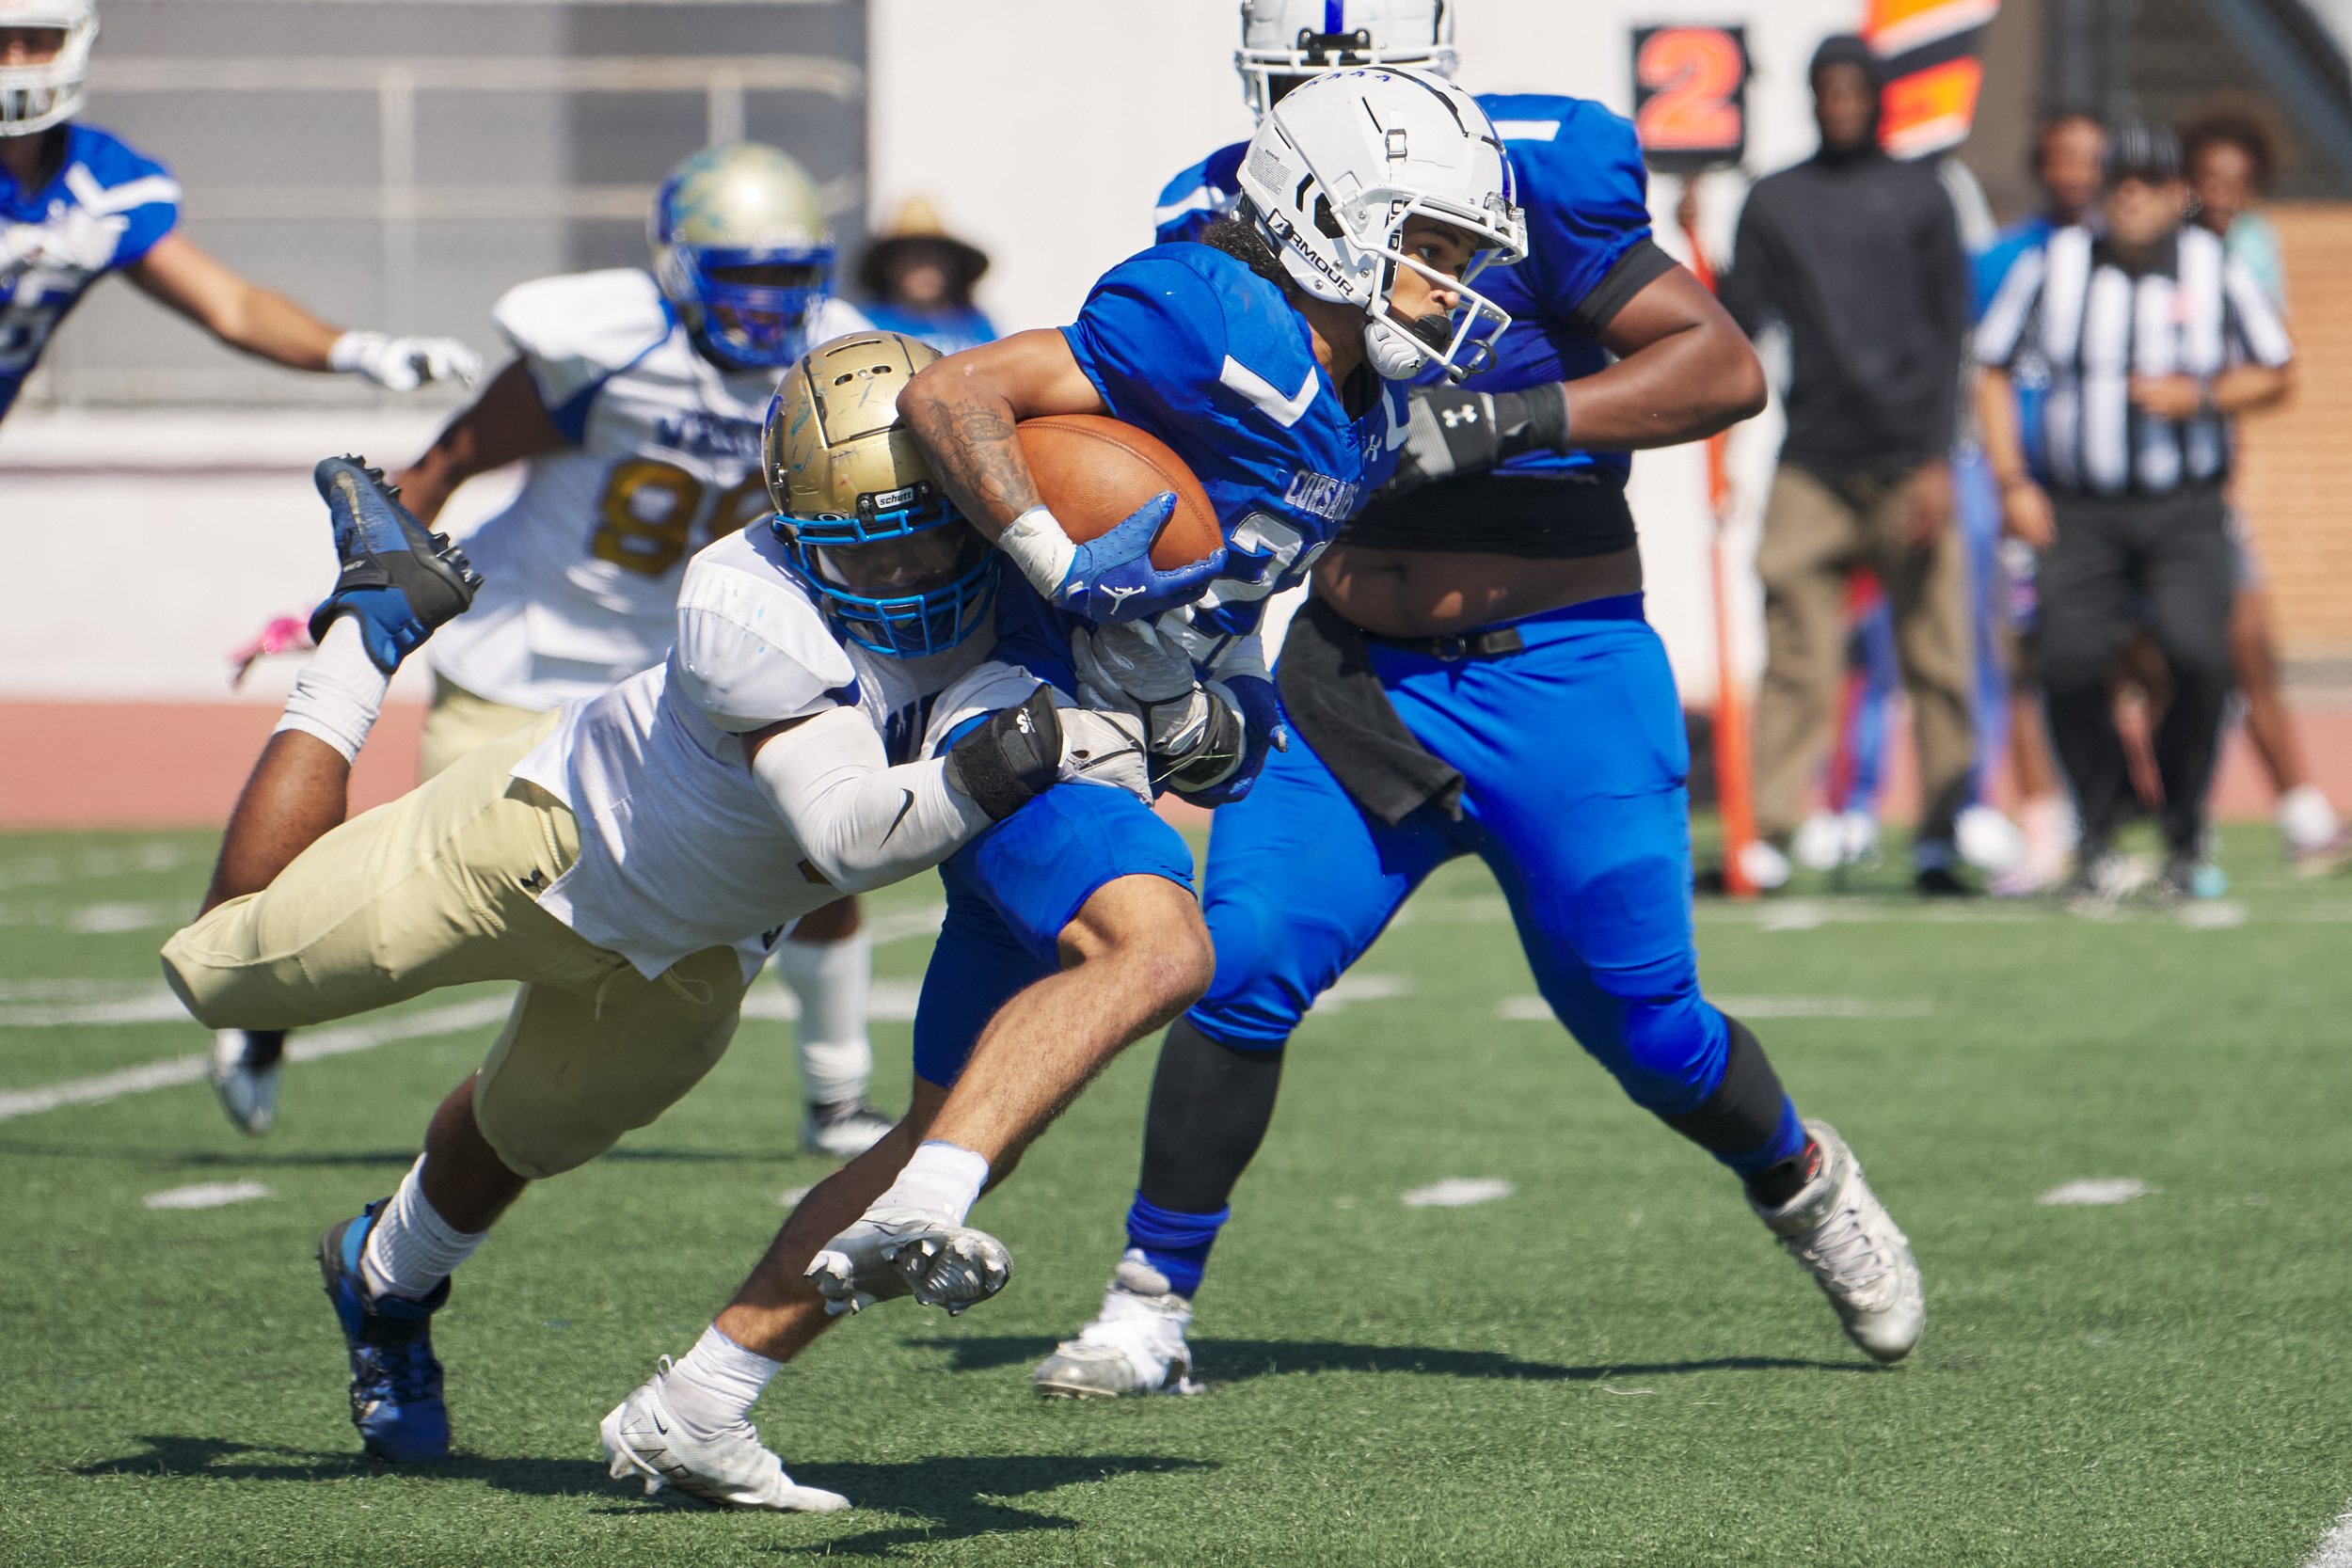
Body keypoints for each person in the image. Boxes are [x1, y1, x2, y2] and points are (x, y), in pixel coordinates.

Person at [590, 64, 1526, 1512]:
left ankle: (697, 1398)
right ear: (1333, 222)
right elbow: (957, 388)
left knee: (953, 1109)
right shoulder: (1204, 309)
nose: (1452, 283)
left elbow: (1225, 594)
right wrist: (1047, 551)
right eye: (1436, 244)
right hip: (1023, 710)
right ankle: (927, 1208)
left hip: (1120, 720)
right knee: (1165, 948)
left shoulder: (1344, 407)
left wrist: (1229, 708)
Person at [1030, 5, 1923, 1406]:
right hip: (1350, 675)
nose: (1315, 100)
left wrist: (1521, 417)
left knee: (1650, 1026)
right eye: (1297, 82)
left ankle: (1800, 1173)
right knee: (1241, 958)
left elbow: (1724, 366)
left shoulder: (1537, 169)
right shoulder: (1224, 205)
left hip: (1559, 669)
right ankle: (1151, 1296)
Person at [161, 351, 1147, 1478]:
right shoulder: (746, 598)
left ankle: (383, 1279)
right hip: (545, 842)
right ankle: (372, 624)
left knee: (528, 1131)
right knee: (218, 968)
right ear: (792, 522)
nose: (905, 567)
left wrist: (1188, 714)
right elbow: (845, 834)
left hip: (700, 946)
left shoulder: (1020, 583)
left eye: (930, 531)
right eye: (862, 541)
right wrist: (1044, 748)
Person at [207, 144, 898, 1162]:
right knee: (407, 893)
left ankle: (836, 1095)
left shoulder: (834, 360)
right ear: (678, 267)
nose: (764, 306)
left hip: (696, 665)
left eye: (786, 279)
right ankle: (261, 1006)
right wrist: (346, 593)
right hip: (524, 652)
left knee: (814, 848)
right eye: (741, 277)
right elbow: (446, 463)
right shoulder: (604, 347)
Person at [1978, 122, 2295, 907]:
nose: (2133, 197)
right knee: (2065, 662)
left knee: (2199, 659)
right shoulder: (2053, 266)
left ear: (2175, 193)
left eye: (2151, 184)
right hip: (2080, 506)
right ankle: (2105, 822)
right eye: (2121, 182)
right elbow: (1988, 367)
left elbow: (2276, 369)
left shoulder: (2211, 266)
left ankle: (2185, 829)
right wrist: (2014, 481)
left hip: (2184, 506)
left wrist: (2205, 394)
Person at [1720, 34, 1977, 896]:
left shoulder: (1924, 195)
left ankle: (1942, 829)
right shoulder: (1775, 201)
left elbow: (1953, 337)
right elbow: (1736, 325)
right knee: (1795, 650)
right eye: (1825, 88)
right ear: (1810, 97)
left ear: (1877, 95)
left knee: (1937, 654)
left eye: (1852, 88)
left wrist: (1941, 458)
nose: (1840, 102)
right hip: (1814, 460)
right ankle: (1771, 830)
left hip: (1913, 460)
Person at [0, 0, 475, 426]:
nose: (14, 63)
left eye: (35, 42)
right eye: (0, 41)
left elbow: (235, 308)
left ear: (72, 43)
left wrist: (360, 352)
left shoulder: (103, 181)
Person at [2182, 103, 2345, 873]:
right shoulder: (2149, 248)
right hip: (2119, 499)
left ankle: (2302, 812)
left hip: (2206, 491)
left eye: (2238, 183)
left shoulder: (2247, 247)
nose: (2223, 194)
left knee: (2247, 641)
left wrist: (2206, 392)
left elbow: (2270, 369)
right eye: (2210, 179)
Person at [856, 195, 997, 356]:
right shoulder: (866, 326)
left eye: (934, 258)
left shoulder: (976, 323)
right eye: (913, 259)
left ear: (952, 266)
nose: (924, 271)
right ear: (890, 268)